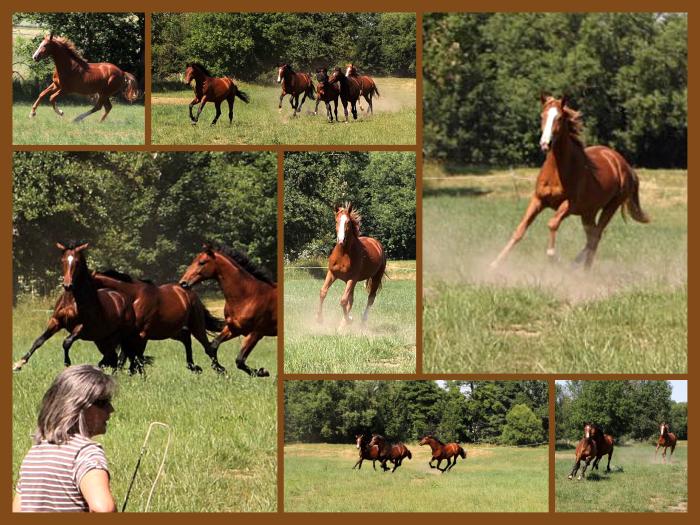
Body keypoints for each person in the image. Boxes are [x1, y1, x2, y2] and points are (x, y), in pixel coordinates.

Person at [13, 364, 117, 512]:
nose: (111, 409)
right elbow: (104, 509)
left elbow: (17, 510)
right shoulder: (85, 453)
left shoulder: (35, 453)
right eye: (103, 402)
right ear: (77, 406)